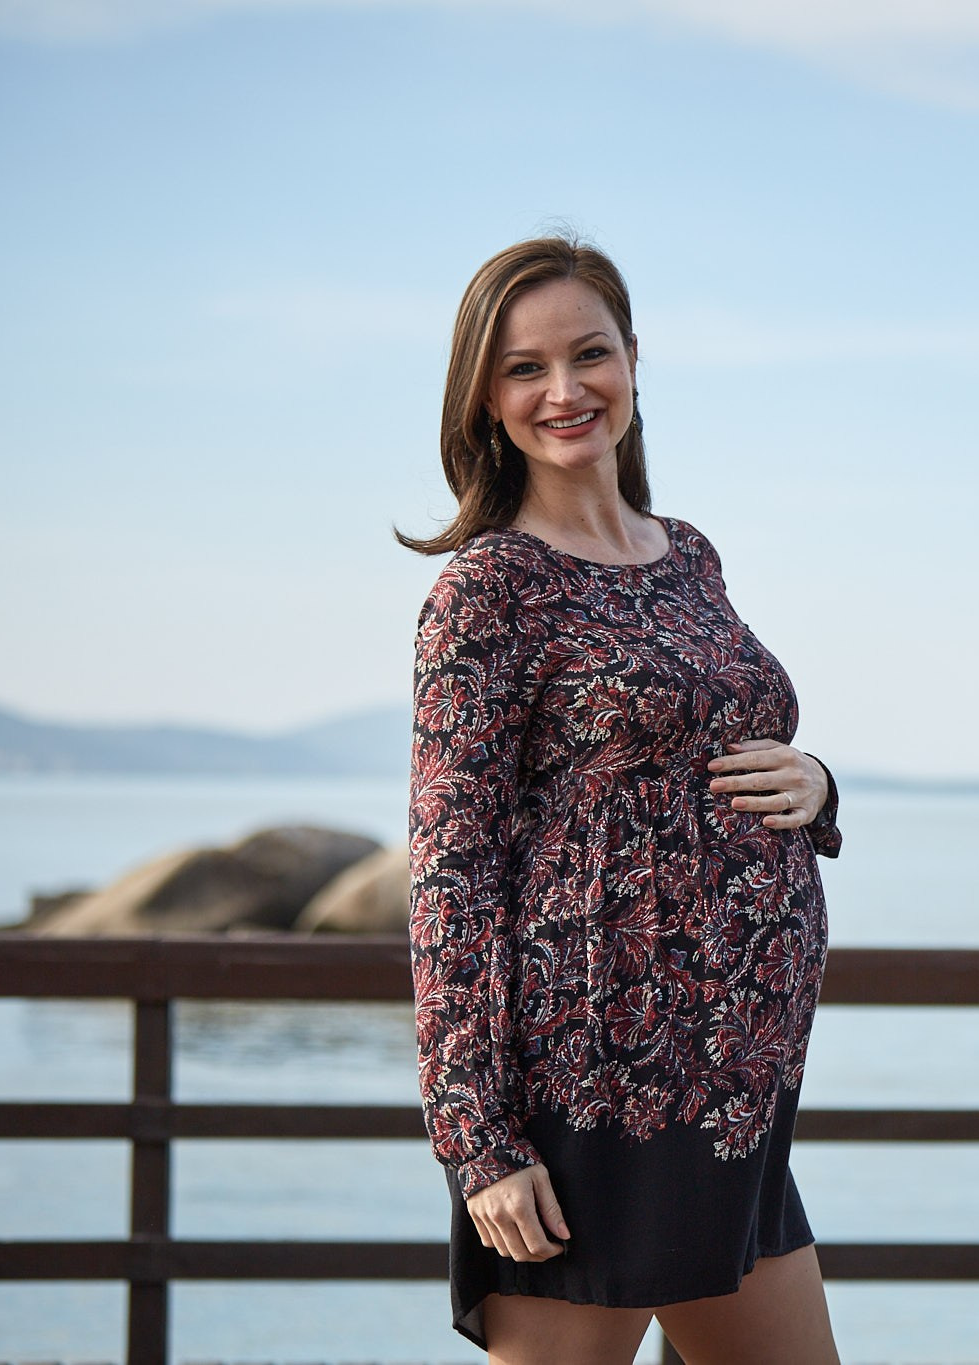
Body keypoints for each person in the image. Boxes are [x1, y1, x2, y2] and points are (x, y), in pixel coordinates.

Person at [396, 235, 843, 1365]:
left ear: (633, 361)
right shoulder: (486, 591)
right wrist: (478, 1141)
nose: (563, 390)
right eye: (522, 369)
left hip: (735, 1096)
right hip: (597, 1100)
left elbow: (725, 744)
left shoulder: (688, 555)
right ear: (484, 399)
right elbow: (451, 871)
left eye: (588, 354)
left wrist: (819, 783)